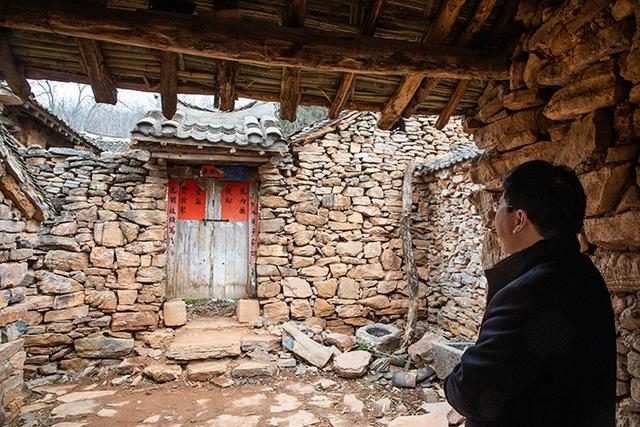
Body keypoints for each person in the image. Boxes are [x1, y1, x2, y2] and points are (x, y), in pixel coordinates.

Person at [444, 160, 616, 426]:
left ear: (519, 219)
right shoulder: (582, 273)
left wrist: (455, 376)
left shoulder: (528, 293)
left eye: (499, 204)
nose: (494, 214)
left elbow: (472, 392)